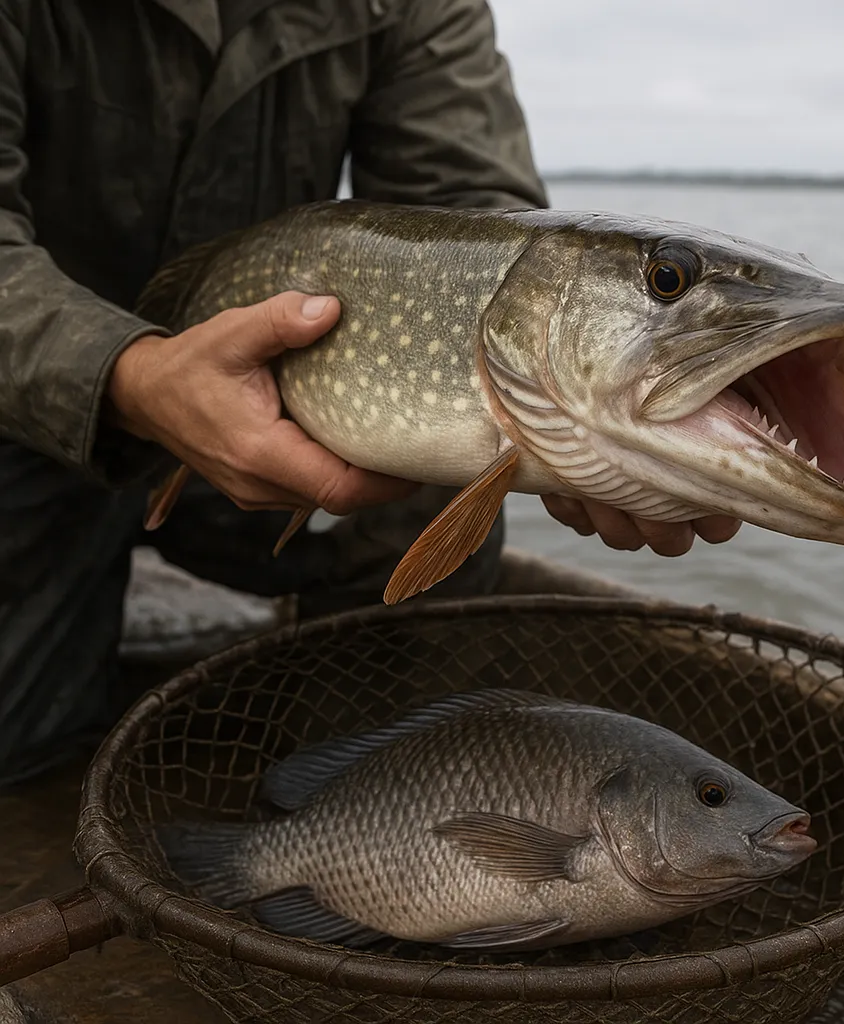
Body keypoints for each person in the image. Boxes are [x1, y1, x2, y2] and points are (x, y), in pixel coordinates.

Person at [0, 0, 741, 786]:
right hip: (25, 413)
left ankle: (353, 811)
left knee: (429, 500)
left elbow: (470, 220)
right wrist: (133, 376)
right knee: (18, 754)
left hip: (278, 406)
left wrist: (568, 418)